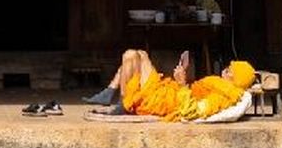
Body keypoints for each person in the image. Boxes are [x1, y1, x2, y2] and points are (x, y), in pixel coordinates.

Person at [106, 49, 256, 122]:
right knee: (136, 54)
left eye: (229, 70)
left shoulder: (225, 95)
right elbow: (195, 92)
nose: (225, 70)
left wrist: (182, 84)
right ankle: (122, 101)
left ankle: (122, 102)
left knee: (137, 56)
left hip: (166, 102)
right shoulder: (219, 84)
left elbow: (191, 111)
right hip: (170, 92)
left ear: (235, 79)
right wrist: (184, 79)